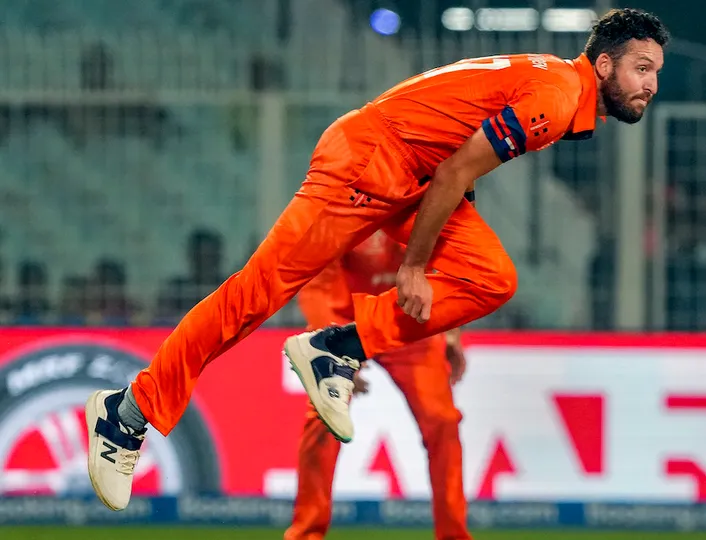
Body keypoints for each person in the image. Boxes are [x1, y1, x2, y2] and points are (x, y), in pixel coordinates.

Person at [85, 7, 669, 511]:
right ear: (602, 65)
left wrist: (438, 276)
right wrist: (415, 266)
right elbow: (457, 169)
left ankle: (336, 347)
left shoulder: (552, 82)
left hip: (415, 172)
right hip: (370, 159)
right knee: (253, 296)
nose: (650, 84)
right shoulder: (557, 99)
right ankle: (126, 413)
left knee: (492, 277)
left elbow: (457, 152)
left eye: (656, 73)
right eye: (641, 69)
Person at [284, 231, 470, 540]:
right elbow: (316, 285)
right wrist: (330, 354)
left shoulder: (427, 201)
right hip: (345, 324)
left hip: (407, 322)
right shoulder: (340, 205)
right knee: (321, 420)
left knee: (443, 421)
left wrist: (451, 330)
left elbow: (447, 265)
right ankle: (306, 534)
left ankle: (453, 535)